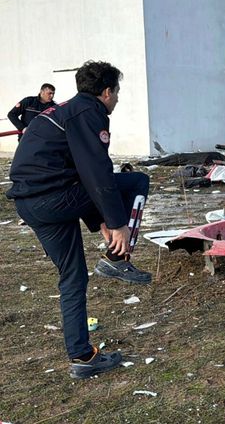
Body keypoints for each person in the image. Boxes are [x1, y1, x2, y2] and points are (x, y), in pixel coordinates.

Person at [6, 60, 151, 379]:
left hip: (32, 203)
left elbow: (74, 172)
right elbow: (95, 172)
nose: (117, 99)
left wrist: (98, 219)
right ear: (107, 91)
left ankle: (83, 357)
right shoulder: (89, 112)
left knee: (73, 277)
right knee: (138, 181)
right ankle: (119, 257)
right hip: (51, 197)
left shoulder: (66, 111)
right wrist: (116, 223)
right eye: (117, 93)